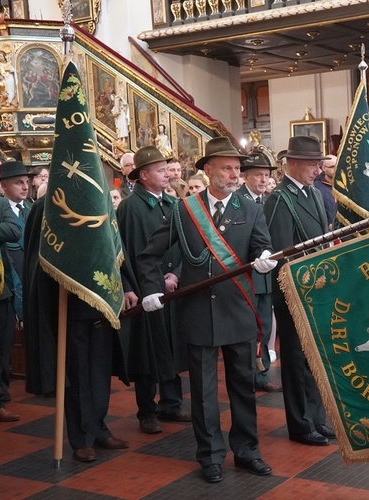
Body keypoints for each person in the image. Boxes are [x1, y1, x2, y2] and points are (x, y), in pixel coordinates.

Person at [138, 137, 275, 483]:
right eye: (227, 167)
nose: (234, 174)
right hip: (199, 312)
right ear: (208, 170)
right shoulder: (185, 210)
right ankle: (210, 456)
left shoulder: (251, 208)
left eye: (236, 168)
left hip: (238, 309)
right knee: (202, 392)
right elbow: (149, 254)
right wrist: (152, 290)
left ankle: (247, 451)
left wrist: (263, 259)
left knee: (243, 387)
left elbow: (262, 246)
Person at [23, 197, 130, 463]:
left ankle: (98, 428)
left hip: (101, 302)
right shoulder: (47, 205)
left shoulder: (98, 199)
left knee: (100, 372)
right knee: (78, 374)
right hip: (67, 305)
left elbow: (112, 247)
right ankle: (81, 437)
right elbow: (38, 253)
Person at [264, 136, 335, 447]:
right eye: (311, 164)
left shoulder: (314, 195)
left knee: (313, 358)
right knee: (295, 360)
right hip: (295, 292)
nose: (317, 170)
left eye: (319, 164)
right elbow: (282, 253)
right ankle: (301, 424)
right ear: (292, 164)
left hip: (316, 289)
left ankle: (317, 419)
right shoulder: (280, 199)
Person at [117, 146, 189, 435]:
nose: (167, 174)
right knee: (147, 349)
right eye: (161, 170)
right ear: (143, 175)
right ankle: (146, 409)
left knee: (171, 343)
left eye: (167, 169)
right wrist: (136, 285)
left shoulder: (172, 204)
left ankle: (171, 402)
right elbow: (127, 251)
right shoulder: (130, 208)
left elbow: (185, 244)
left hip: (172, 288)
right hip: (147, 289)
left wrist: (177, 273)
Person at [0, 161, 37, 422]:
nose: (25, 186)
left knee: (3, 344)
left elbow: (22, 233)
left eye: (26, 181)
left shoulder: (23, 208)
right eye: (18, 182)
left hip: (19, 279)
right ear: (3, 185)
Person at [237, 152, 282, 393]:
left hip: (265, 274)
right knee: (247, 327)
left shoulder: (267, 201)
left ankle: (261, 373)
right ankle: (246, 375)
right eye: (258, 175)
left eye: (266, 175)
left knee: (263, 324)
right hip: (246, 275)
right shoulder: (238, 201)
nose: (264, 180)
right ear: (245, 176)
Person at [313, 154, 337, 229]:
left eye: (338, 165)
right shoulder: (316, 188)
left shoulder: (344, 185)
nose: (336, 169)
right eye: (332, 167)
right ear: (324, 168)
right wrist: (327, 226)